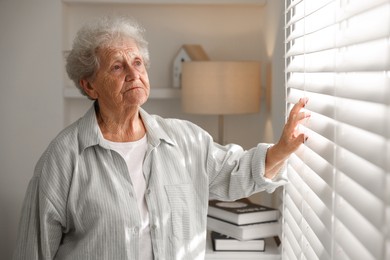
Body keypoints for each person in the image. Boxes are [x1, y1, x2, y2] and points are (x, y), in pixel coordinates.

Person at [13, 16, 309, 260]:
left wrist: (282, 148)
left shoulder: (186, 140)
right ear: (90, 86)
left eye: (138, 62)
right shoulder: (63, 157)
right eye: (117, 66)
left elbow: (238, 173)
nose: (133, 74)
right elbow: (34, 250)